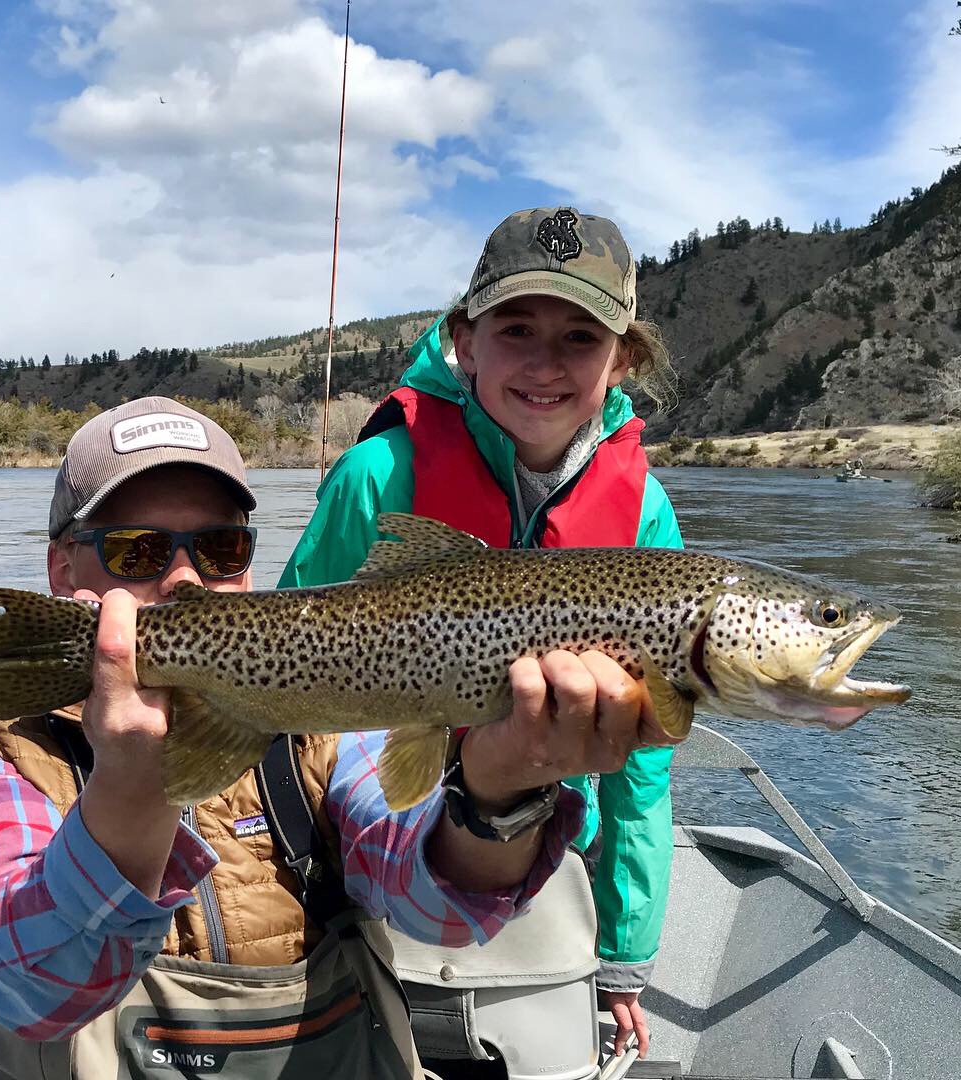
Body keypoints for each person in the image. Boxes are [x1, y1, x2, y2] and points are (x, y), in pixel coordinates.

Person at [0, 395, 666, 1080]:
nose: (185, 580)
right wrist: (133, 793)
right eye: (137, 551)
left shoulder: (308, 733)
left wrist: (502, 790)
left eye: (220, 550)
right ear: (60, 571)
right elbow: (31, 991)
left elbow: (444, 913)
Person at [281, 207, 686, 1057]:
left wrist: (624, 954)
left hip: (540, 845)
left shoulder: (644, 512)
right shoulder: (378, 474)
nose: (545, 363)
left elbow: (641, 767)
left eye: (580, 337)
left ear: (623, 360)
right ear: (464, 340)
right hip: (369, 834)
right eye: (516, 328)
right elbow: (290, 663)